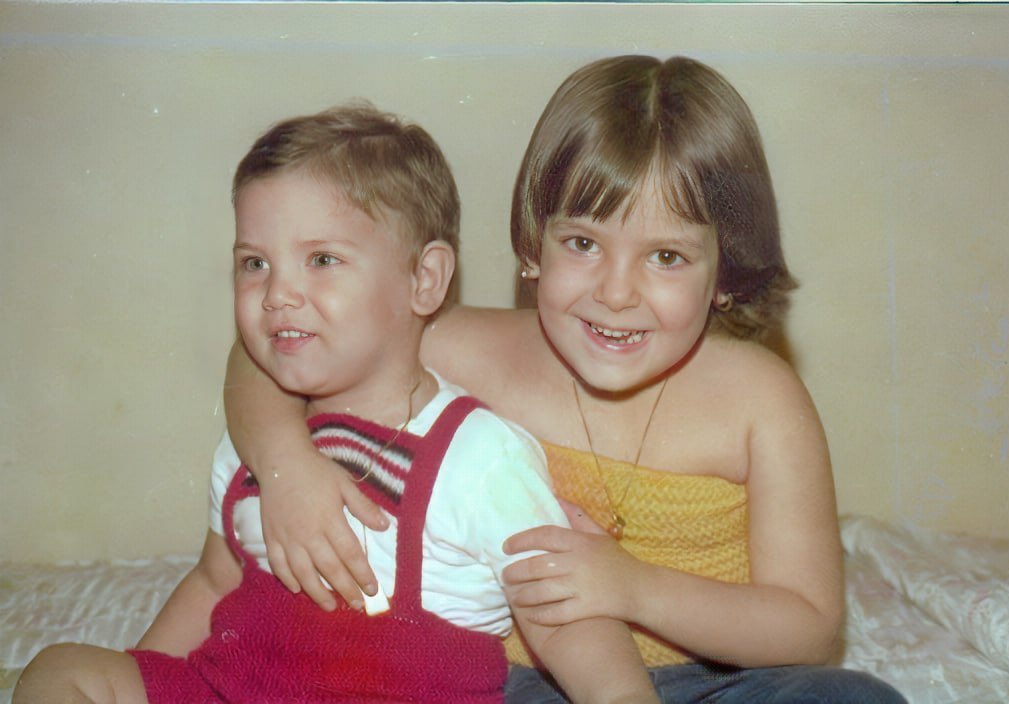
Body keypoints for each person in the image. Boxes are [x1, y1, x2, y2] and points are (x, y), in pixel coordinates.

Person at [219, 56, 908, 702]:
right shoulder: (468, 348)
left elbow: (809, 624)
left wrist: (633, 588)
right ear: (533, 245)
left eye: (666, 257)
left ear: (725, 271)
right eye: (582, 243)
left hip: (720, 683)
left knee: (856, 698)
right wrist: (285, 464)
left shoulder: (762, 400)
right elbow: (266, 357)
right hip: (522, 680)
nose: (615, 292)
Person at [13, 103, 658, 704]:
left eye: (321, 259)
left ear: (424, 279)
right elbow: (214, 579)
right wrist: (147, 674)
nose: (277, 294)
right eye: (254, 263)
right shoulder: (256, 444)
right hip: (232, 686)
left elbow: (564, 618)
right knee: (60, 671)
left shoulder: (478, 455)